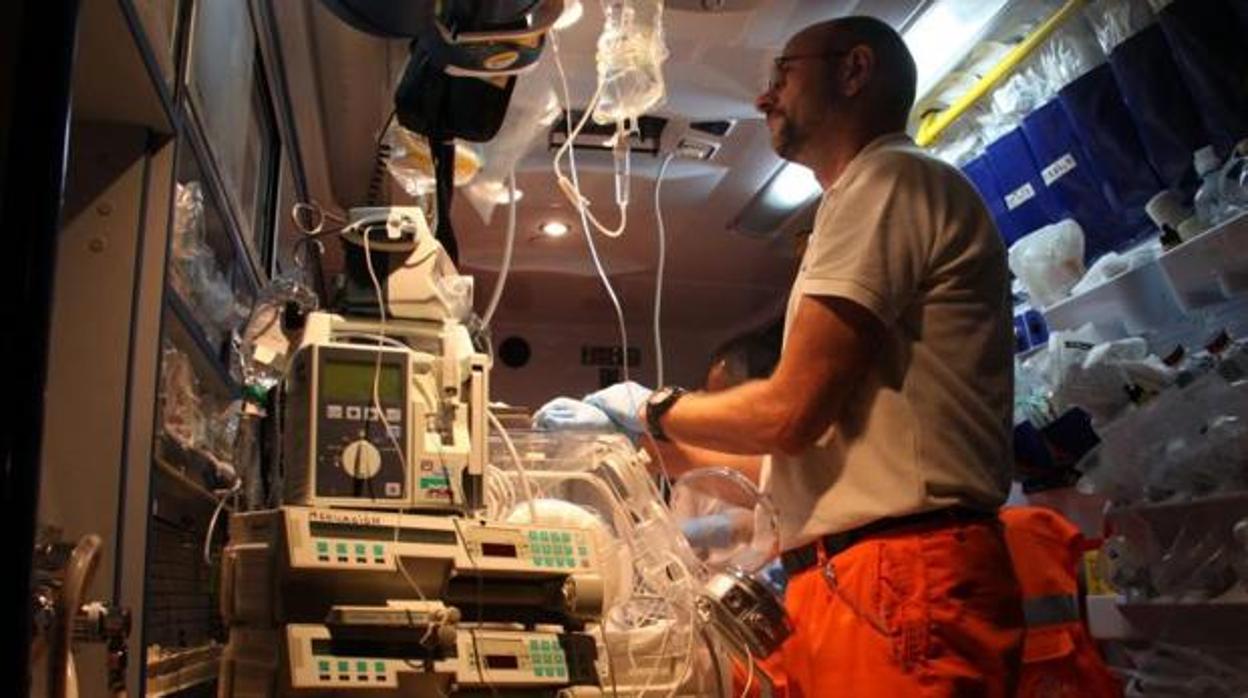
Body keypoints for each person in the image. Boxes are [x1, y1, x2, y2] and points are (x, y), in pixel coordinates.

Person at [536, 15, 1023, 697]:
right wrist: (647, 449)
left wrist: (654, 408)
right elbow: (783, 466)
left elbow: (790, 415)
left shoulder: (887, 180)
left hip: (900, 574)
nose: (764, 97)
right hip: (857, 577)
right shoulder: (861, 199)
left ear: (854, 71)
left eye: (783, 75)